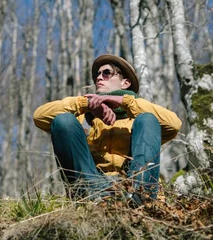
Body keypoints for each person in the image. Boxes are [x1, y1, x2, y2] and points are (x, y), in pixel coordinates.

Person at [33, 54, 181, 205]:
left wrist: (124, 101)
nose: (99, 77)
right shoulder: (83, 118)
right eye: (97, 74)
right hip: (94, 189)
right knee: (63, 121)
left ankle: (140, 196)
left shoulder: (137, 118)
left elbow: (174, 124)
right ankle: (93, 196)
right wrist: (87, 104)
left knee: (148, 119)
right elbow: (39, 116)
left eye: (106, 73)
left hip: (130, 188)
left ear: (125, 83)